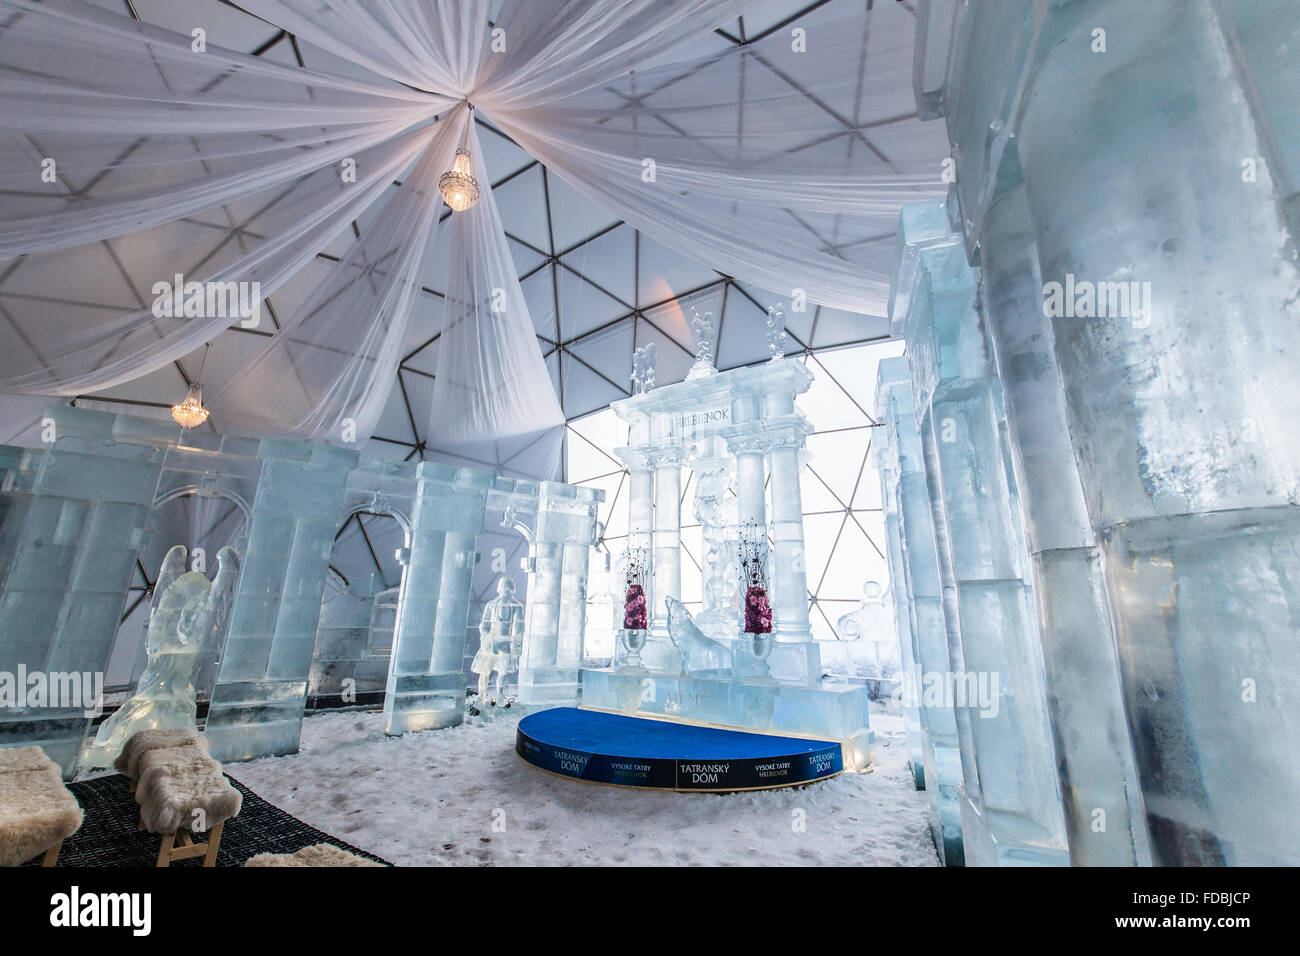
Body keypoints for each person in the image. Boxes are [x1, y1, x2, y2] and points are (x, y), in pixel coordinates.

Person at [472, 576, 524, 706]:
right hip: (491, 643)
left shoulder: (517, 606)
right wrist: (485, 637)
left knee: (503, 672)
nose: (506, 591)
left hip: (506, 644)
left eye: (508, 588)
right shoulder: (491, 605)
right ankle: (481, 696)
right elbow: (485, 624)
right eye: (504, 588)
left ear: (512, 590)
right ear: (500, 589)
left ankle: (500, 695)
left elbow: (518, 628)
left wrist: (515, 646)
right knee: (485, 671)